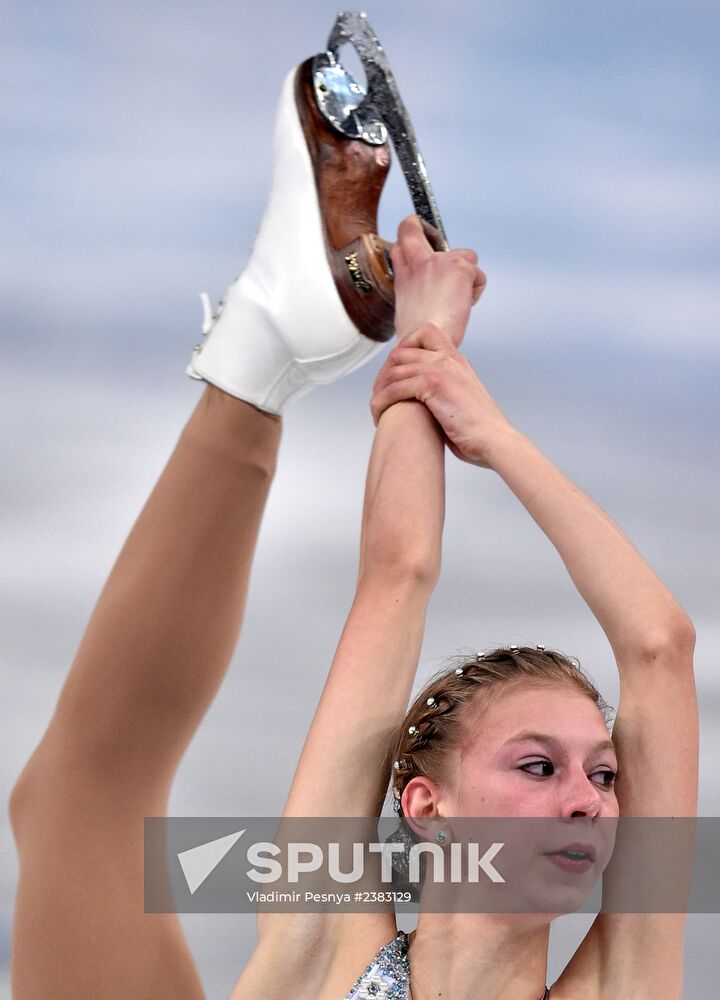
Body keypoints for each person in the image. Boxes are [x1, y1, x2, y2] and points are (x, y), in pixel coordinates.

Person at [9, 53, 698, 1000]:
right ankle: (271, 340)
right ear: (427, 809)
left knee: (75, 805)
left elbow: (660, 649)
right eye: (542, 767)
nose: (588, 798)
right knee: (74, 808)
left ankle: (267, 340)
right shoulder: (327, 941)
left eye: (605, 777)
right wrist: (448, 381)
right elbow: (398, 574)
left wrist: (453, 383)